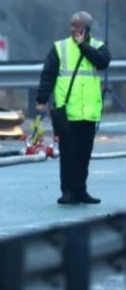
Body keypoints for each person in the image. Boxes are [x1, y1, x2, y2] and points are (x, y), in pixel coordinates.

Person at [35, 10, 111, 205]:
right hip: (67, 111)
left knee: (84, 154)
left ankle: (81, 190)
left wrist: (83, 46)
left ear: (86, 28)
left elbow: (103, 62)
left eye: (77, 26)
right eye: (71, 25)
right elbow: (48, 74)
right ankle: (68, 191)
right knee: (68, 154)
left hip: (89, 112)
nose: (73, 29)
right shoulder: (60, 48)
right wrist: (41, 100)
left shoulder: (98, 47)